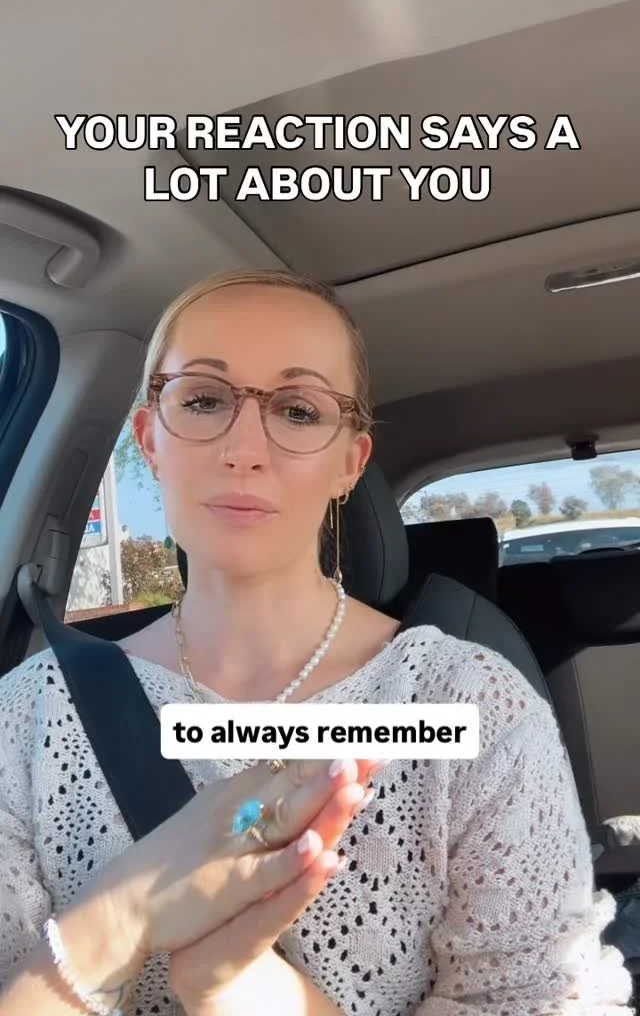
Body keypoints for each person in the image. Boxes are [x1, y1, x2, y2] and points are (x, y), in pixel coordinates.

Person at [0, 267, 632, 1016]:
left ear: (349, 463)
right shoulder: (27, 715)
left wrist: (245, 988)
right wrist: (121, 917)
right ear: (151, 440)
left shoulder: (475, 706)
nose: (244, 448)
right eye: (203, 400)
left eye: (298, 411)